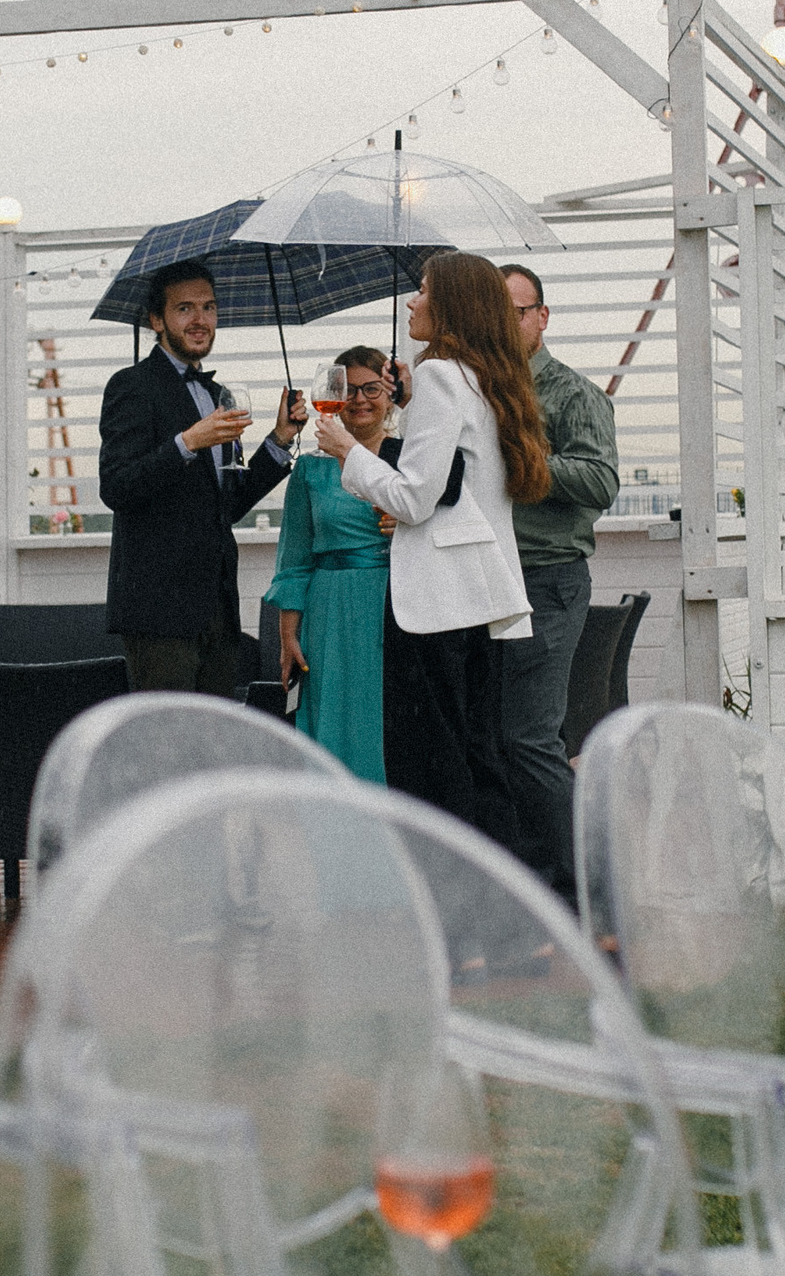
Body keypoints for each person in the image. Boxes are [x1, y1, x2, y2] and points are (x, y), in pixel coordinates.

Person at [315, 252, 550, 855]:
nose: (411, 302)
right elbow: (460, 490)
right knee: (478, 761)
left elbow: (416, 498)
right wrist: (415, 398)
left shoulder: (445, 375)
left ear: (450, 307)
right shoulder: (485, 378)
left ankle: (454, 920)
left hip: (433, 607)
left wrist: (347, 451)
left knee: (432, 771)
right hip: (476, 597)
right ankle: (499, 914)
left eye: (421, 291)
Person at [99, 259, 303, 693]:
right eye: (185, 309)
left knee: (215, 741)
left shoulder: (216, 394)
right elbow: (116, 486)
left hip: (218, 606)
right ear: (157, 320)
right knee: (170, 745)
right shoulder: (131, 385)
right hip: (159, 611)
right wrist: (188, 441)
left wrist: (279, 439)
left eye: (209, 308)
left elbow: (226, 505)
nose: (200, 320)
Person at [494, 263, 620, 900]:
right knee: (494, 739)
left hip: (548, 582)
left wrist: (526, 460)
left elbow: (601, 483)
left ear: (542, 317)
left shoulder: (572, 395)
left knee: (530, 737)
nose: (508, 322)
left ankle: (597, 882)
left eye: (519, 311)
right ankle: (532, 886)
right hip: (488, 585)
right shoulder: (479, 392)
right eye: (497, 310)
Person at [264, 345, 398, 782]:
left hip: (394, 604)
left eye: (371, 388)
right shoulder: (311, 470)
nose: (359, 400)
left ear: (390, 392)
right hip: (329, 612)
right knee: (331, 717)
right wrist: (288, 634)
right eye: (349, 390)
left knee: (387, 717)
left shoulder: (411, 458)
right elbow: (294, 557)